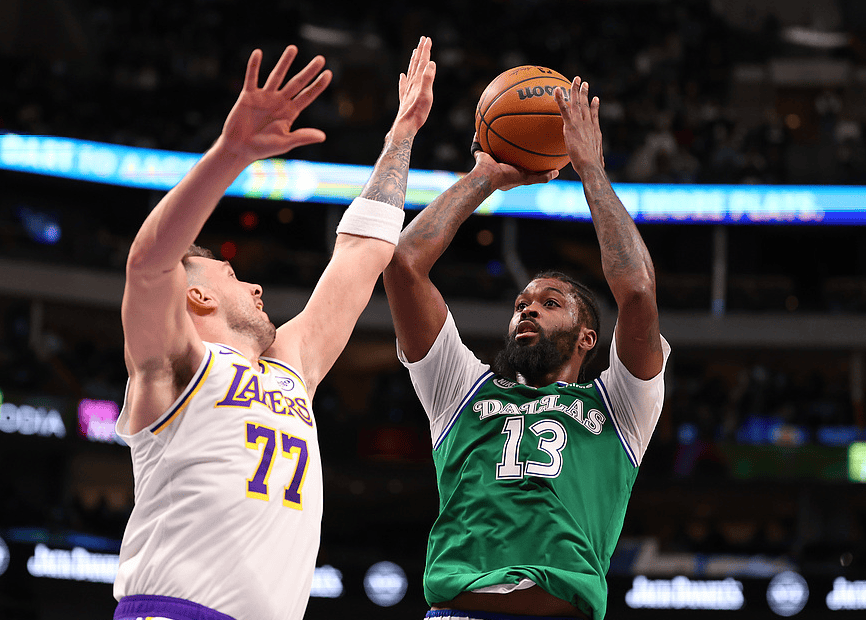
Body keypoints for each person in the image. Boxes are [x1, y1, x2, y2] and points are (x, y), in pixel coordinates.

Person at [113, 38, 435, 620]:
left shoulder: (291, 367)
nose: (256, 287)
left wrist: (402, 134)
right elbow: (149, 264)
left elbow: (362, 251)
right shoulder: (174, 366)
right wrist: (231, 153)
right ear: (197, 295)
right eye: (233, 275)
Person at [383, 77, 671, 620]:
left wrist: (591, 169)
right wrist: (484, 177)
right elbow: (403, 263)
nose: (528, 310)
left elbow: (637, 290)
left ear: (587, 338)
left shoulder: (621, 406)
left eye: (550, 302)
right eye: (521, 304)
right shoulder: (459, 390)